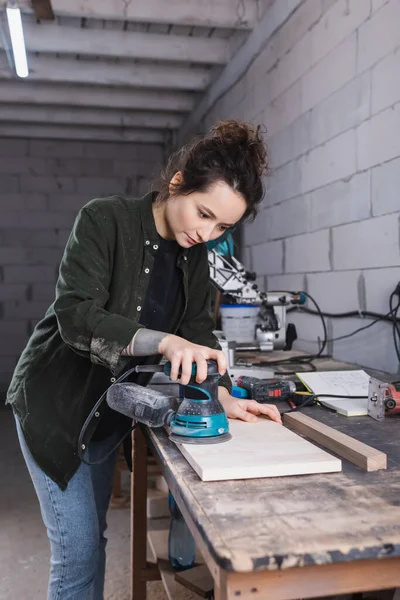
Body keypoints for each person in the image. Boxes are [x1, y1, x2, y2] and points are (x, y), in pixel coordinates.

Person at [6, 119, 282, 600]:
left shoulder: (197, 258)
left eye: (223, 227)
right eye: (203, 213)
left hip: (107, 413)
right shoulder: (103, 220)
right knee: (77, 557)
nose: (208, 232)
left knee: (94, 541)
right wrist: (163, 342)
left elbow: (196, 334)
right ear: (177, 184)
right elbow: (77, 317)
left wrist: (222, 396)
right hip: (56, 408)